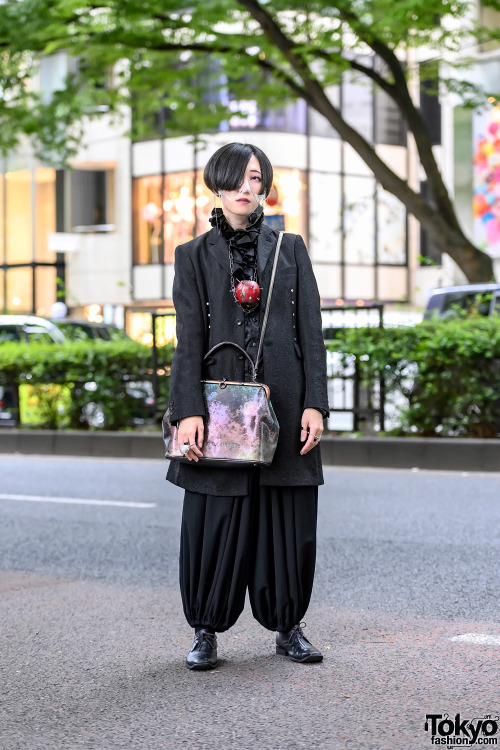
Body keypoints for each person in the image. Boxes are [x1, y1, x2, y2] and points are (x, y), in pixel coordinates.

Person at [166, 142, 329, 670]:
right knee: (214, 518)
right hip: (220, 407)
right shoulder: (192, 255)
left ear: (265, 185)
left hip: (285, 400)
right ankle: (205, 629)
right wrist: (187, 409)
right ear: (217, 183)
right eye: (236, 178)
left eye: (255, 177)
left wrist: (316, 403)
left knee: (289, 518)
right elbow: (188, 338)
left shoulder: (291, 248)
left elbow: (312, 333)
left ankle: (288, 627)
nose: (246, 187)